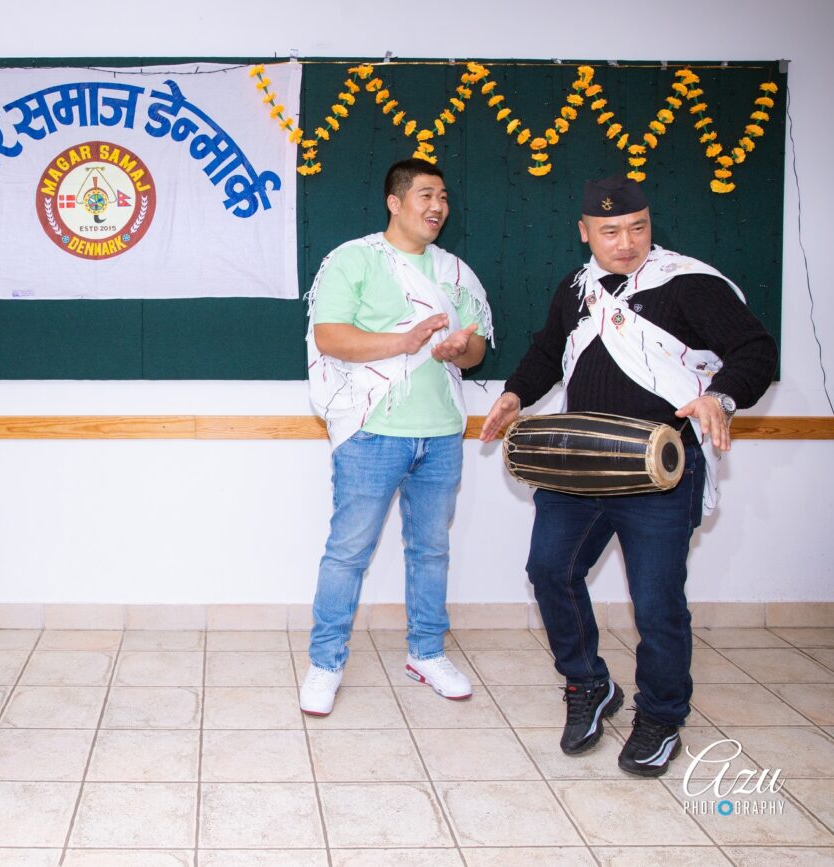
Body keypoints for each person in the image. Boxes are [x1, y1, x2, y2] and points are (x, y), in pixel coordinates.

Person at [480, 175, 777, 776]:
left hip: (661, 470)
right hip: (579, 466)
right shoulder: (577, 288)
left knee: (657, 601)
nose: (626, 242)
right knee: (550, 571)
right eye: (610, 231)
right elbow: (547, 352)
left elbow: (756, 350)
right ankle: (588, 684)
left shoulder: (687, 283)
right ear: (585, 232)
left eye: (637, 228)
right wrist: (515, 393)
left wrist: (720, 396)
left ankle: (661, 714)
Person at [301, 159, 494, 715]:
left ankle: (426, 653)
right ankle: (325, 663)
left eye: (444, 197)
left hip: (441, 433)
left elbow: (477, 350)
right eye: (426, 195)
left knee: (431, 550)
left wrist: (459, 349)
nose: (438, 207)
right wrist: (405, 342)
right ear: (395, 201)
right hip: (371, 432)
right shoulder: (354, 259)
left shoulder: (455, 271)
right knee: (348, 553)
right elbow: (330, 336)